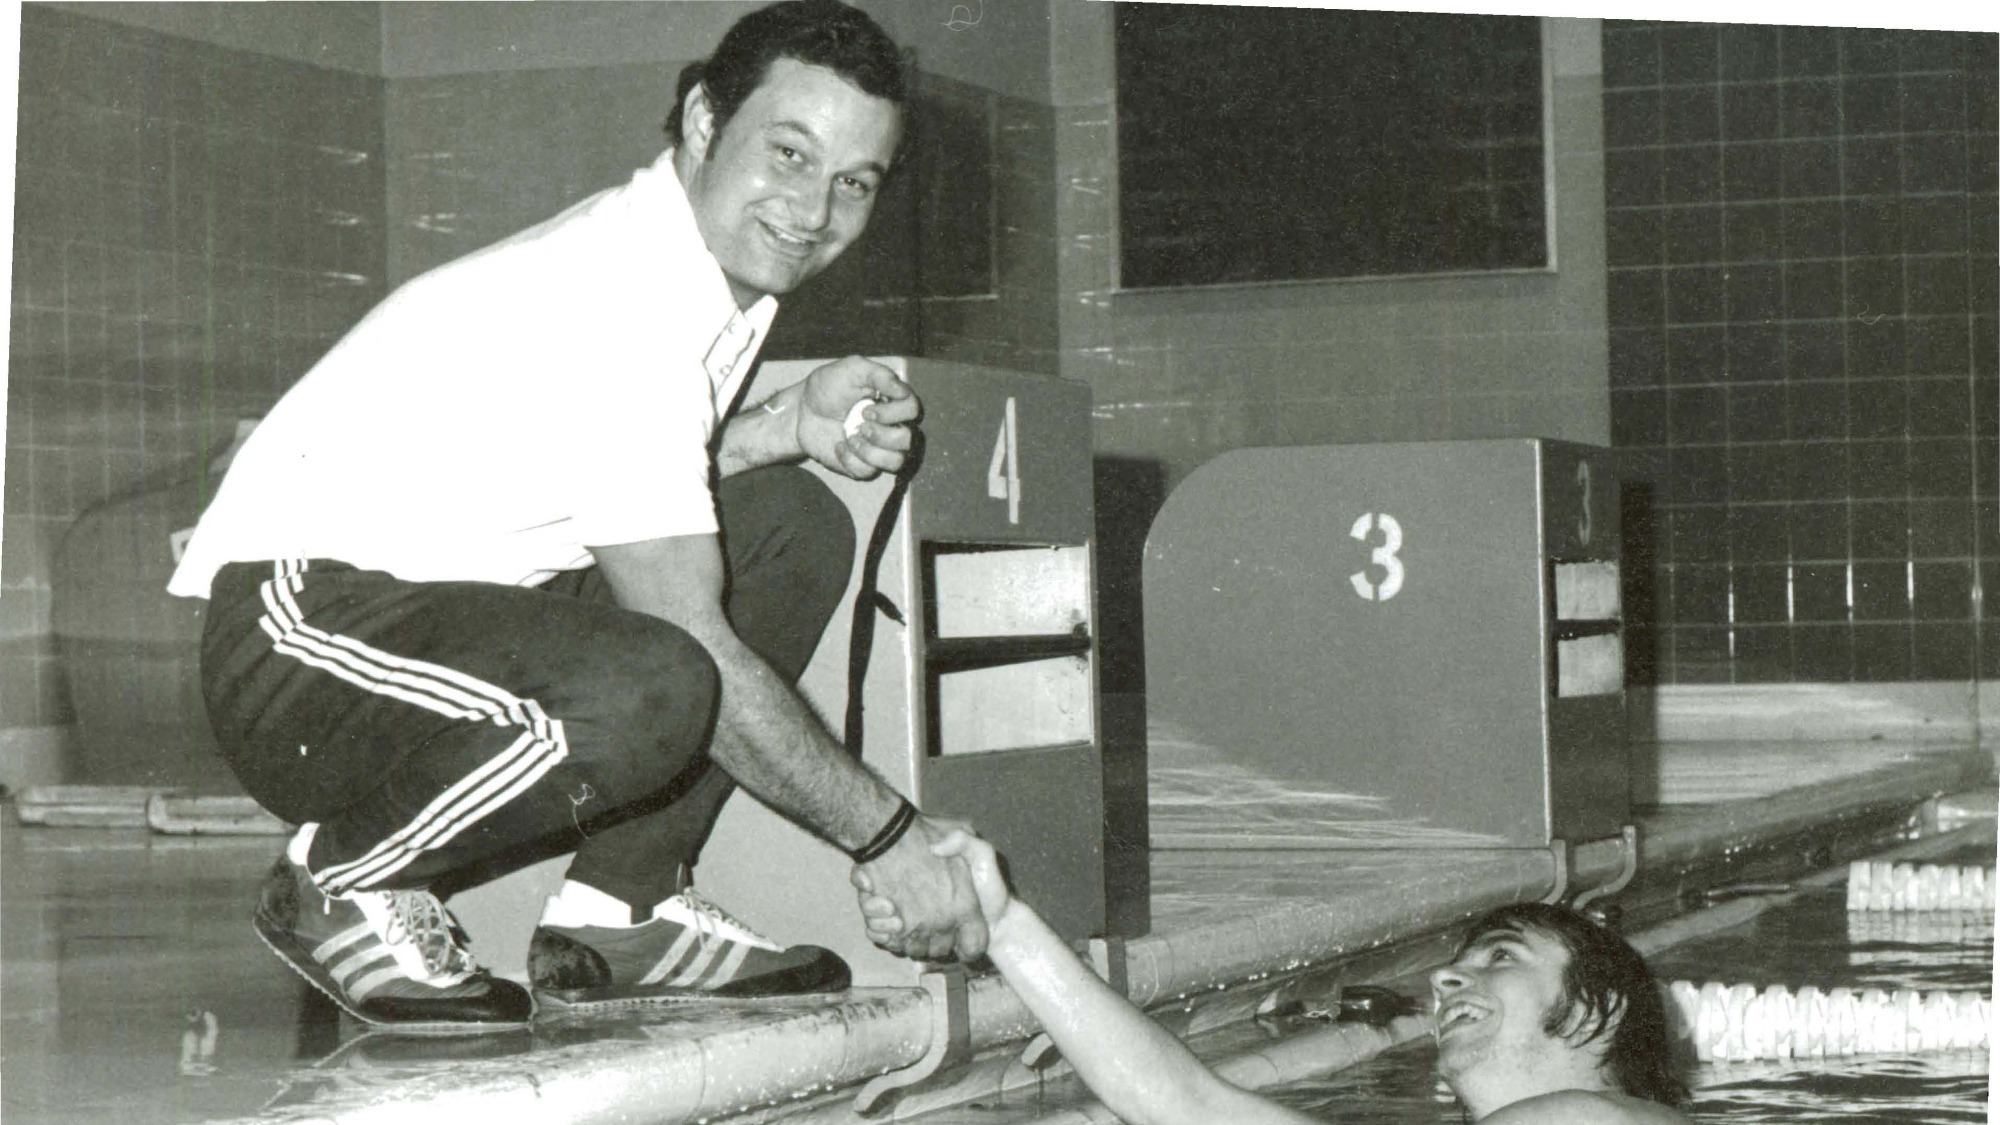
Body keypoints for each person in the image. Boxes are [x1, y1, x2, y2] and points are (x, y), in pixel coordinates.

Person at [166, 0, 988, 1031]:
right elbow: (688, 637)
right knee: (661, 678)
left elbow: (619, 478)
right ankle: (338, 880)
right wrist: (891, 838)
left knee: (788, 522)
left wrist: (783, 425)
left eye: (853, 181)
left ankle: (619, 912)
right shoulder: (627, 298)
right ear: (704, 120)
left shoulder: (692, 272)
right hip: (295, 644)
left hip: (427, 621)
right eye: (788, 153)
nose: (813, 208)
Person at [891, 833, 1692, 1125]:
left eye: (1501, 956)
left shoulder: (1594, 1117)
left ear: (1593, 1010)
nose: (1449, 974)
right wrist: (1004, 925)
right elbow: (1182, 1103)